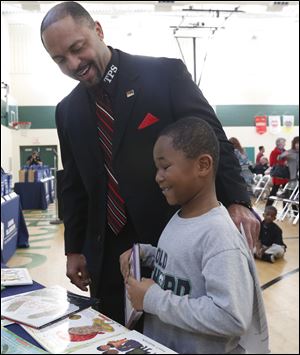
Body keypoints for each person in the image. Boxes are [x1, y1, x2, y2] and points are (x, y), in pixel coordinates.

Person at [40, 1, 259, 324]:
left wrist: (238, 200)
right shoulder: (67, 111)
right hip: (107, 254)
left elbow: (211, 135)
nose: (73, 64)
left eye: (77, 48)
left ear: (98, 30)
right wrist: (74, 248)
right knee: (113, 336)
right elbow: (73, 183)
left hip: (169, 242)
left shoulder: (164, 74)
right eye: (60, 59)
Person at [121, 118, 269, 354]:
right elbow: (184, 265)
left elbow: (230, 316)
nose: (157, 177)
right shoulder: (179, 217)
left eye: (165, 166)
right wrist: (147, 255)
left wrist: (153, 299)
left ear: (202, 165)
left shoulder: (219, 235)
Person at [266, 138, 289, 207]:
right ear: (278, 143)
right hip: (278, 174)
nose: (284, 144)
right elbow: (272, 163)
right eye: (283, 142)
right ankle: (268, 207)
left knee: (287, 192)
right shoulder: (274, 152)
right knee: (274, 192)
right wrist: (283, 163)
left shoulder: (285, 151)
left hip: (285, 174)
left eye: (284, 142)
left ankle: (285, 210)